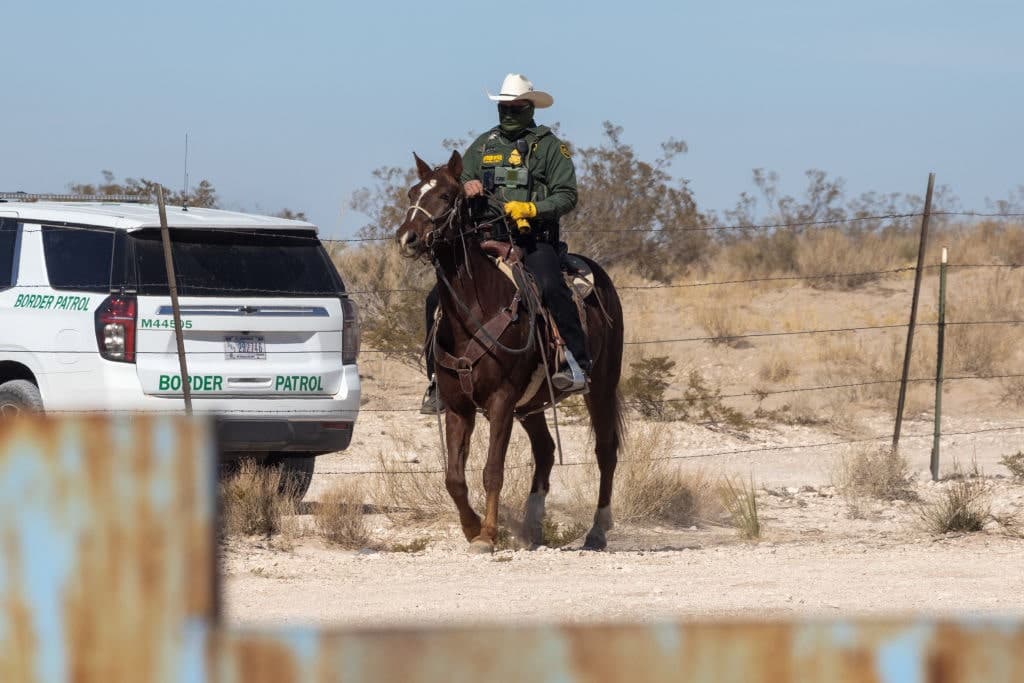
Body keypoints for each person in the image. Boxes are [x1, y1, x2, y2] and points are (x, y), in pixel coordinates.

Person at [420, 73, 590, 414]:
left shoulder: (549, 147)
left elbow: (567, 195)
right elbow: (457, 178)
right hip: (486, 239)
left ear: (530, 108)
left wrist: (533, 208)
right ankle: (437, 380)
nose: (509, 114)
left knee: (549, 285)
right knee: (436, 298)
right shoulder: (484, 145)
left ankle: (575, 361)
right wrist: (467, 185)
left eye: (516, 108)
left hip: (532, 240)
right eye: (504, 108)